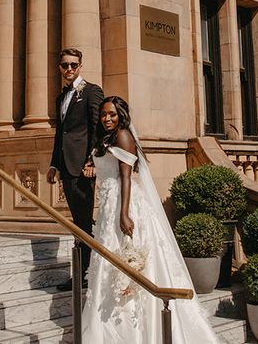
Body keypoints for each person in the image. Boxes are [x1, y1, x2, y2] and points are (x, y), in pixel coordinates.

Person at [81, 96, 219, 343]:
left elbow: (125, 177)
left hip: (123, 203)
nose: (106, 119)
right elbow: (106, 167)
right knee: (109, 260)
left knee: (126, 256)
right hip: (107, 205)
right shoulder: (105, 139)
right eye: (103, 114)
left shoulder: (123, 135)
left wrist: (124, 213)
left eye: (112, 114)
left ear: (121, 114)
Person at [46, 47, 104, 291]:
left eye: (73, 65)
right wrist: (54, 163)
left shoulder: (91, 91)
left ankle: (85, 274)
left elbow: (97, 127)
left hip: (83, 167)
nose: (69, 69)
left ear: (80, 66)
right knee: (78, 222)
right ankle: (84, 272)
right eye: (65, 65)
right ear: (60, 68)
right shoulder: (61, 98)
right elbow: (61, 133)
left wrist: (92, 161)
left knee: (83, 222)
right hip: (66, 166)